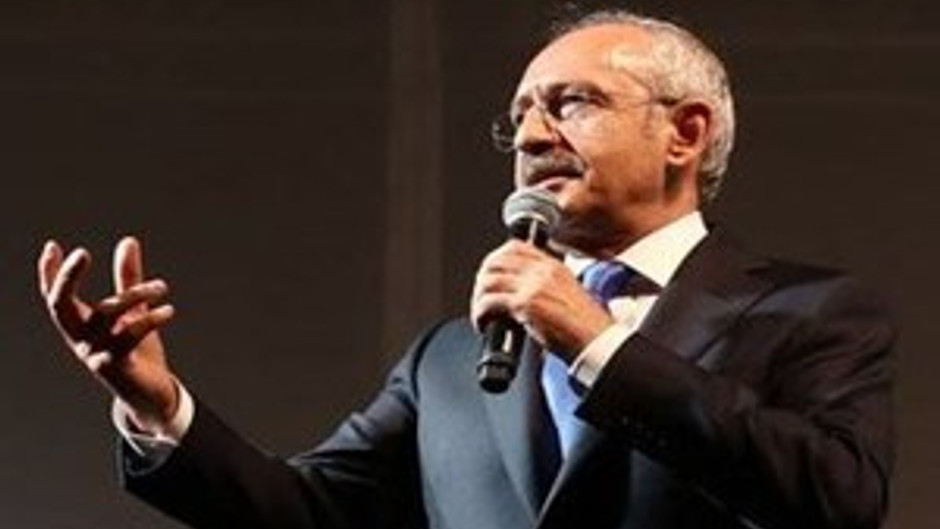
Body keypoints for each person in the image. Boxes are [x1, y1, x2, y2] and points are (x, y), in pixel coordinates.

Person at [37, 10, 895, 529]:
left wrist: (597, 345)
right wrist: (156, 406)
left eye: (572, 103)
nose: (531, 136)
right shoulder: (448, 359)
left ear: (686, 132)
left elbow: (836, 500)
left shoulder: (809, 311)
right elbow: (309, 512)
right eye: (519, 117)